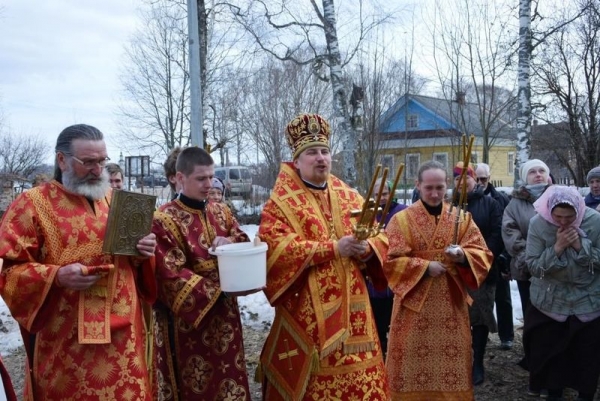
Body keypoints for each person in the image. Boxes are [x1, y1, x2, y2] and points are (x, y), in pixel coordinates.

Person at [0, 124, 157, 400]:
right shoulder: (31, 205)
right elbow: (10, 273)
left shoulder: (114, 200)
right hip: (67, 344)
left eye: (102, 161)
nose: (98, 170)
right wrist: (57, 276)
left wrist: (144, 254)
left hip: (125, 340)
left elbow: (134, 263)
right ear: (62, 160)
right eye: (88, 162)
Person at [257, 113, 389, 400]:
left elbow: (380, 236)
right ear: (298, 160)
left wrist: (368, 250)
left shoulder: (349, 195)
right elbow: (276, 249)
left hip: (357, 315)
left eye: (325, 151)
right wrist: (332, 249)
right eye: (312, 152)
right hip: (307, 314)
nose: (321, 158)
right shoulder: (281, 203)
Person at [151, 146, 258, 400]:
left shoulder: (221, 211)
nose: (209, 184)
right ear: (179, 178)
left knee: (229, 378)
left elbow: (242, 237)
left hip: (227, 318)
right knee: (198, 386)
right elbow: (169, 273)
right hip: (188, 324)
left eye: (211, 177)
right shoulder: (164, 219)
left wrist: (231, 243)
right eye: (201, 178)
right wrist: (219, 292)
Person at [383, 160, 493, 400]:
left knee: (451, 360)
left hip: (450, 305)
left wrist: (463, 256)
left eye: (440, 188)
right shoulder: (401, 220)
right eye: (429, 187)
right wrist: (423, 266)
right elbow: (389, 260)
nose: (434, 193)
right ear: (418, 185)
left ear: (447, 187)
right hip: (413, 306)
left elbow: (483, 254)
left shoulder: (461, 218)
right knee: (411, 360)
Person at [524, 185, 600, 401]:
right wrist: (557, 248)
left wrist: (579, 246)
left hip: (589, 300)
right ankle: (553, 393)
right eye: (558, 217)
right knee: (552, 356)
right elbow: (533, 266)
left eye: (569, 217)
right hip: (550, 302)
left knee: (587, 357)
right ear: (550, 210)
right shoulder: (538, 224)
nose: (564, 222)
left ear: (579, 209)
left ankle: (585, 395)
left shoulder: (595, 221)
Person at [453, 162, 503, 385]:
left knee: (480, 316)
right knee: (456, 315)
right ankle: (458, 360)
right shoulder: (449, 205)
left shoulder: (490, 204)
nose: (461, 181)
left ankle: (478, 362)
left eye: (466, 177)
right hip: (453, 271)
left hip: (481, 270)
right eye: (456, 178)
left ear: (474, 179)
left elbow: (497, 233)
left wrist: (480, 258)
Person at [363, 178, 407, 359]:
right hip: (375, 277)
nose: (381, 198)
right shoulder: (368, 214)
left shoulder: (403, 213)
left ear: (391, 193)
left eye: (385, 194)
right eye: (376, 194)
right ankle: (380, 355)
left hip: (397, 274)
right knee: (377, 320)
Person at [502, 159, 551, 318]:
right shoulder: (514, 204)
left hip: (556, 266)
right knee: (531, 312)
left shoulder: (558, 197)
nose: (538, 175)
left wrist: (553, 256)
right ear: (525, 177)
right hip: (525, 267)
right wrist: (528, 258)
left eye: (541, 171)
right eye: (532, 172)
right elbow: (510, 231)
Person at [476, 162, 514, 350]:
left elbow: (506, 228)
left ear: (489, 178)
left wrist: (503, 255)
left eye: (484, 178)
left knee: (502, 297)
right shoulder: (465, 200)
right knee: (478, 299)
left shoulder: (500, 198)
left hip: (496, 255)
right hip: (474, 256)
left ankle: (506, 335)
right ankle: (482, 335)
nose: (481, 182)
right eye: (477, 179)